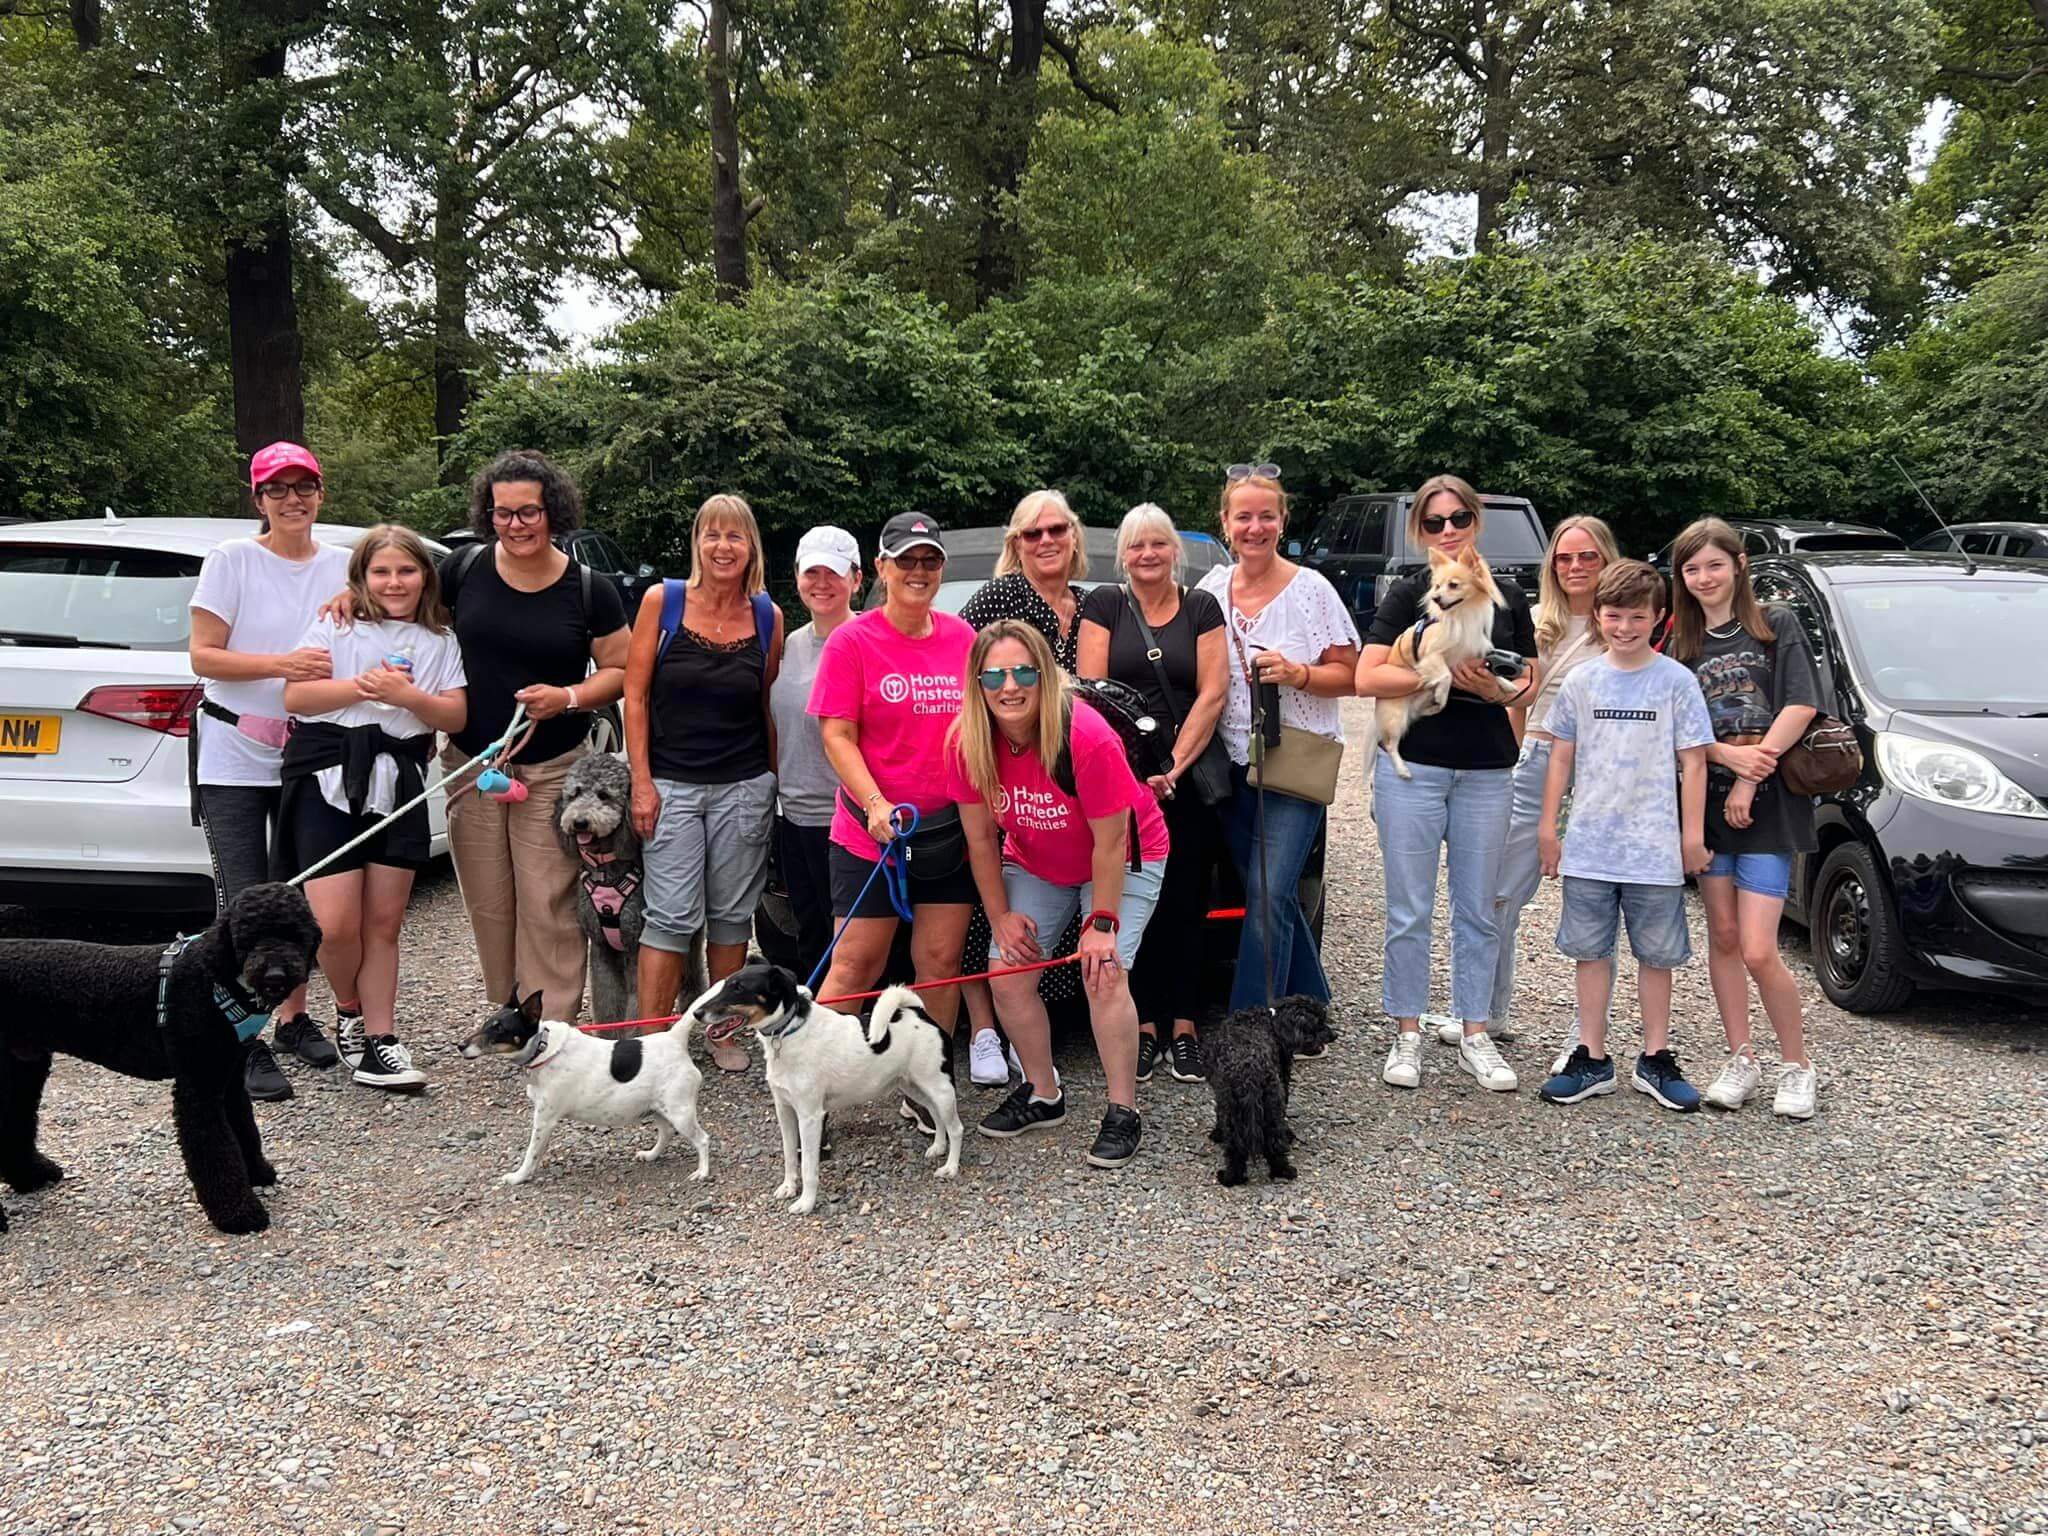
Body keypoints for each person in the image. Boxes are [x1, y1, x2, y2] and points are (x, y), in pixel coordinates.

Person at [949, 620, 1170, 1167]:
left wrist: (1100, 924)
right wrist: (999, 917)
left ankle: (1123, 1110)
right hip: (1038, 859)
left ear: (1045, 675)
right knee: (1007, 973)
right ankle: (1044, 1093)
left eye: (1023, 671)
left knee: (1104, 972)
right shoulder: (967, 742)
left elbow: (1112, 839)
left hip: (1123, 855)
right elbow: (980, 839)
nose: (1009, 686)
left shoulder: (1085, 736)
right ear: (976, 683)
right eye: (994, 675)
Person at [1355, 474, 1535, 1094]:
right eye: (1435, 524)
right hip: (1419, 766)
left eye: (1458, 518)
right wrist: (1438, 679)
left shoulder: (1506, 596)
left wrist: (1499, 689)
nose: (1449, 530)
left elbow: (1529, 679)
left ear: (1476, 522)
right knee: (1408, 908)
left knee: (1478, 908)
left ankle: (1475, 1032)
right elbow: (1366, 675)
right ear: (1421, 534)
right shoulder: (1410, 594)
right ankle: (1406, 1031)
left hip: (1487, 768)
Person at [188, 441, 353, 1101]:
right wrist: (283, 664)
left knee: (299, 897)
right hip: (234, 752)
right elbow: (204, 656)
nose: (293, 500)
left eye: (303, 487)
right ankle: (240, 1037)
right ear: (258, 499)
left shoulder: (345, 564)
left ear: (320, 493)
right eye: (278, 489)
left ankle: (292, 1018)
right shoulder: (232, 560)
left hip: (308, 755)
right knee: (241, 899)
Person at [440, 450, 629, 1024]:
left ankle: (553, 1022)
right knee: (489, 900)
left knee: (548, 900)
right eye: (503, 514)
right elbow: (404, 613)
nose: (515, 525)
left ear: (553, 512)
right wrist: (353, 600)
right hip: (472, 763)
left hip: (554, 765)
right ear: (487, 515)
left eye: (528, 512)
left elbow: (621, 671)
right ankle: (507, 1008)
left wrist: (567, 698)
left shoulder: (588, 588)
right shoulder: (462, 570)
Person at [281, 525, 467, 1090]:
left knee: (383, 922)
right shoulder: (335, 625)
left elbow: (453, 717)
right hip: (327, 774)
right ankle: (349, 1010)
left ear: (424, 577)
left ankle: (382, 1039)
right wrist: (362, 688)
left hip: (399, 779)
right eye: (380, 572)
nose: (393, 582)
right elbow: (297, 696)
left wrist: (407, 697)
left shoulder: (440, 641)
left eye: (406, 571)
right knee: (336, 924)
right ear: (360, 578)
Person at [809, 512, 977, 1116]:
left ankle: (927, 1088)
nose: (918, 571)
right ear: (880, 569)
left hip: (947, 834)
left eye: (929, 560)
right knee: (857, 964)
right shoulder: (853, 641)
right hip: (869, 833)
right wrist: (876, 802)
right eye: (905, 560)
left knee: (939, 964)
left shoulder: (963, 640)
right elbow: (837, 736)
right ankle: (815, 1092)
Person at [1536, 560, 1714, 1111]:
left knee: (1656, 955)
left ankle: (1655, 1057)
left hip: (1654, 850)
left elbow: (1695, 764)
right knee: (1590, 952)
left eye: (1638, 617)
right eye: (1614, 616)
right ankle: (1591, 1056)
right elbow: (1560, 756)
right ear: (1599, 617)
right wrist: (1549, 827)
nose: (1625, 627)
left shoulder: (1676, 682)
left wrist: (1691, 837)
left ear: (1658, 618)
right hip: (1590, 845)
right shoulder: (1584, 681)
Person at [1668, 517, 1823, 1120]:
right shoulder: (1681, 646)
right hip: (1707, 803)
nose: (1704, 577)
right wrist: (1724, 756)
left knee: (1760, 948)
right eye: (1692, 568)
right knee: (1724, 938)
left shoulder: (1774, 625)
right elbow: (1677, 729)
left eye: (1714, 564)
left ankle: (1797, 1065)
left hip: (1770, 805)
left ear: (1737, 565)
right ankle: (1740, 1056)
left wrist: (1751, 774)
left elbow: (1801, 704)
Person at [624, 494, 783, 1071]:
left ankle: (720, 1029)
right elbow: (634, 697)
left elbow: (766, 705)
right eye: (712, 535)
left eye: (735, 537)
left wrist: (774, 781)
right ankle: (650, 1041)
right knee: (669, 915)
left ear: (750, 548)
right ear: (697, 542)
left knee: (731, 915)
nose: (723, 547)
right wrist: (641, 781)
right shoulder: (661, 602)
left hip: (744, 785)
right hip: (672, 785)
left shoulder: (767, 615)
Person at [1197, 466, 1358, 1013]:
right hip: (1229, 766)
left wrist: (1301, 674)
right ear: (1225, 524)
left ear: (1282, 520)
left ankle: (1253, 1019)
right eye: (1244, 516)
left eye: (1267, 516)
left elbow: (1352, 674)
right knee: (1274, 895)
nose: (1255, 527)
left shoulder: (1311, 590)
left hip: (1293, 763)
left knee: (1267, 895)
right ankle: (1310, 1002)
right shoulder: (1211, 591)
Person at [1077, 503, 1227, 1084]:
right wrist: (1135, 774)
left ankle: (1184, 1023)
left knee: (1188, 900)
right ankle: (1140, 1026)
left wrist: (1173, 767)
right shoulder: (1105, 605)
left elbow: (1213, 693)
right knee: (1136, 901)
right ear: (1123, 554)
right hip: (1119, 776)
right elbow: (1093, 695)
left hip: (1186, 777)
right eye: (1136, 545)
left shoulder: (1202, 607)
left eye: (1158, 544)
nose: (1147, 554)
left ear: (1174, 551)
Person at [1471, 515, 1622, 1068]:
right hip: (1536, 759)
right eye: (1564, 557)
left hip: (1601, 769)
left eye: (1587, 556)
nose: (1576, 567)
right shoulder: (1536, 621)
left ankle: (1586, 1036)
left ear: (1606, 559)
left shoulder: (1623, 622)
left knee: (1594, 902)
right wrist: (1515, 759)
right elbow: (1516, 699)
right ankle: (1485, 1014)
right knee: (1498, 892)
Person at [956, 489, 1091, 1083]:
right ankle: (984, 1027)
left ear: (1073, 536)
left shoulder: (1089, 605)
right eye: (1032, 534)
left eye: (1056, 530)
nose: (1046, 542)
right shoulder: (999, 598)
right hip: (1001, 773)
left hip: (1063, 780)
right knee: (992, 901)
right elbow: (965, 678)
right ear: (1016, 544)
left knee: (1039, 908)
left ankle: (1026, 1030)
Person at [769, 526, 862, 985]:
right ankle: (814, 1029)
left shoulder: (869, 639)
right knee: (808, 930)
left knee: (851, 939)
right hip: (795, 814)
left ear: (857, 580)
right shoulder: (790, 642)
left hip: (850, 818)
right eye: (812, 572)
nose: (822, 583)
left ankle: (857, 1031)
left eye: (834, 573)